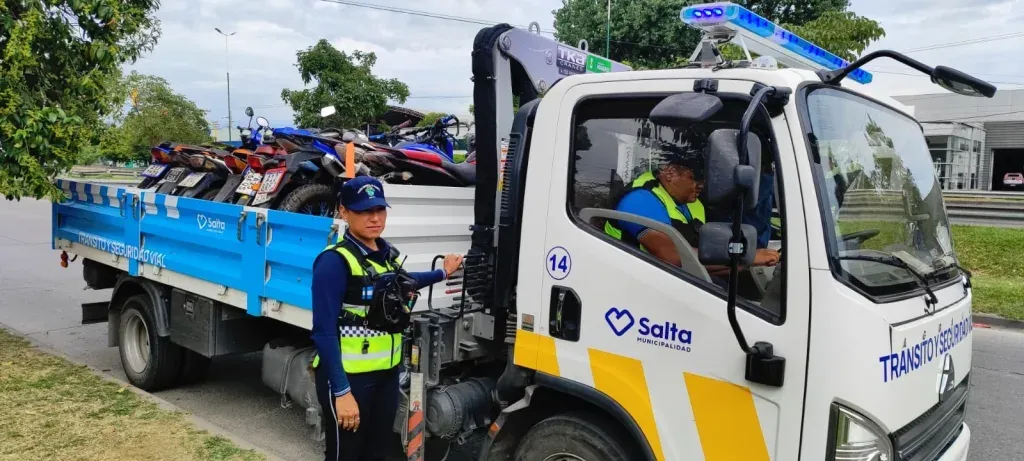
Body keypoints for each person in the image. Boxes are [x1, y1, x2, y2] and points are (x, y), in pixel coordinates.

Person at [310, 176, 463, 461]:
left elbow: (406, 282)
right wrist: (342, 393)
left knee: (378, 452)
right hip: (349, 380)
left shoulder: (386, 255)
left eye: (379, 210)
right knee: (347, 455)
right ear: (344, 212)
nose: (374, 218)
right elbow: (324, 332)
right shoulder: (334, 262)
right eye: (364, 211)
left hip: (386, 376)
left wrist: (443, 273)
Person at [604, 141, 780, 272]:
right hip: (636, 282)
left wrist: (742, 262)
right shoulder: (640, 200)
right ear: (671, 173)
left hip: (681, 280)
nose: (702, 184)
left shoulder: (692, 202)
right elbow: (671, 256)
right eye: (695, 177)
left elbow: (703, 258)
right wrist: (743, 256)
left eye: (706, 177)